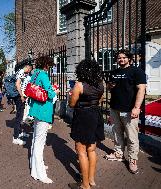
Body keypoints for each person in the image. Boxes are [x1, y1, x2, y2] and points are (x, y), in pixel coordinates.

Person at [105, 49, 146, 174]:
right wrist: (109, 86)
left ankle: (133, 160)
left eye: (123, 57)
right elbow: (109, 87)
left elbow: (141, 89)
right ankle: (119, 153)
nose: (121, 59)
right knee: (117, 132)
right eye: (119, 58)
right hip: (115, 108)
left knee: (131, 136)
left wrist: (137, 107)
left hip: (129, 109)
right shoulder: (114, 72)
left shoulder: (137, 71)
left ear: (129, 59)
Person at [68, 59, 104, 189]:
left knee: (81, 151)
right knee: (92, 149)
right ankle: (91, 179)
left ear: (81, 71)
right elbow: (100, 99)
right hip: (96, 115)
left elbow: (72, 104)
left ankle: (85, 185)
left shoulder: (79, 85)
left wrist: (70, 96)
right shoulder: (100, 84)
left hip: (83, 116)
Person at [28, 56, 59, 184]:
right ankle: (40, 174)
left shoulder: (34, 74)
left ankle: (34, 167)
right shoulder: (44, 75)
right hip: (44, 110)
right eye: (49, 65)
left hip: (35, 109)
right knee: (40, 143)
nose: (50, 67)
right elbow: (50, 93)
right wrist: (55, 90)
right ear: (46, 65)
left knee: (35, 139)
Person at [12, 62, 33, 145]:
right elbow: (17, 84)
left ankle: (20, 132)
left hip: (21, 96)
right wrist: (21, 96)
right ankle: (15, 137)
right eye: (30, 69)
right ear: (28, 67)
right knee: (19, 116)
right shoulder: (21, 72)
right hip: (19, 97)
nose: (30, 71)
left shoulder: (22, 72)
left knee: (20, 116)